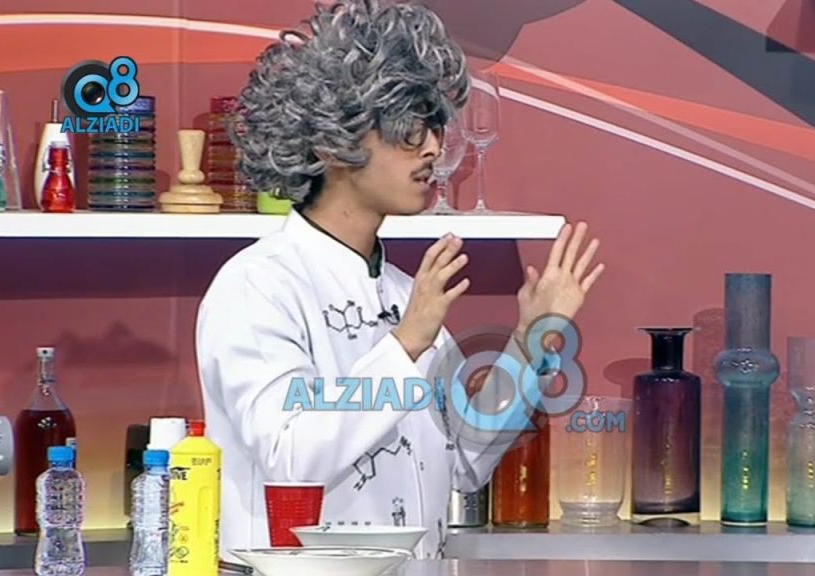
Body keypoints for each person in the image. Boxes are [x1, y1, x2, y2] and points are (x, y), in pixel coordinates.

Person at [194, 0, 604, 560]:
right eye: (407, 130)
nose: (433, 148)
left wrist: (530, 342)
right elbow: (290, 456)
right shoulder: (258, 286)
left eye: (433, 126)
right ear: (331, 142)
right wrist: (406, 342)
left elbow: (464, 461)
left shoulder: (403, 291)